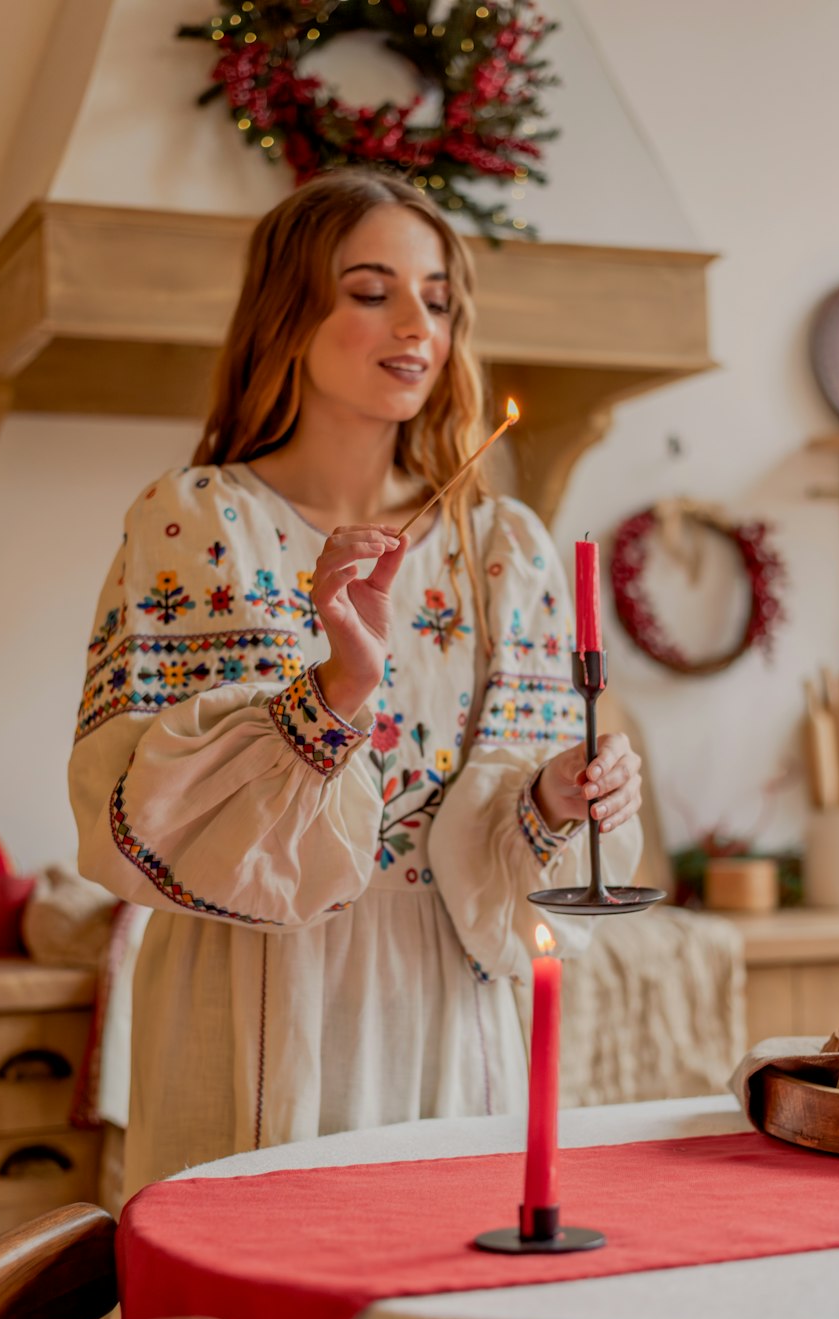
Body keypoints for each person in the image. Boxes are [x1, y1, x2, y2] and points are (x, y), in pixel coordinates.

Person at [69, 167, 643, 1197]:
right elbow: (141, 808)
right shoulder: (202, 522)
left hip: (446, 996)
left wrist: (557, 797)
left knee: (448, 1310)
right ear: (288, 313)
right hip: (253, 995)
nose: (415, 323)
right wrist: (335, 689)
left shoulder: (501, 545)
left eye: (436, 296)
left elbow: (509, 827)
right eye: (370, 289)